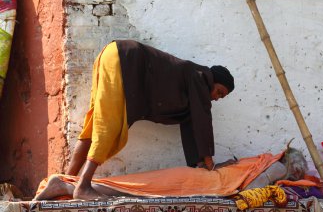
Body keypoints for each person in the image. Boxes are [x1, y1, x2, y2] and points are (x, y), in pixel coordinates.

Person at [65, 40, 235, 200]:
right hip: (126, 60)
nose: (217, 98)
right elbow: (202, 122)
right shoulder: (201, 78)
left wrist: (199, 163)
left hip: (113, 54)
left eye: (222, 96)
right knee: (108, 127)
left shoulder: (193, 80)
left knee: (93, 126)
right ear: (213, 80)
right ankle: (83, 186)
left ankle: (63, 182)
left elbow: (192, 124)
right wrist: (211, 165)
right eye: (219, 92)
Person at [35, 146, 308, 201]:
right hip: (198, 183)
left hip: (192, 177)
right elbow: (251, 193)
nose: (293, 178)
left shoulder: (261, 159)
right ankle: (65, 186)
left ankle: (66, 185)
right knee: (132, 188)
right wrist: (280, 186)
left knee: (131, 186)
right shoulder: (276, 167)